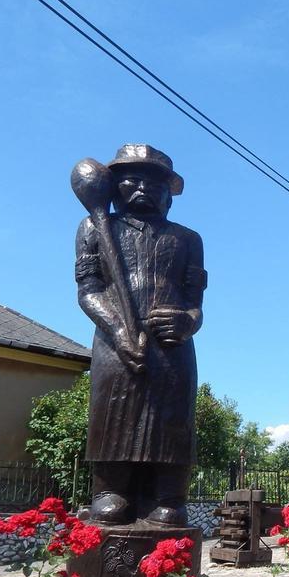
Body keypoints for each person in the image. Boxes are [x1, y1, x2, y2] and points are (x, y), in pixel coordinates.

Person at [74, 144, 207, 526]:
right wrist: (116, 326)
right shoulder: (95, 227)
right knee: (113, 410)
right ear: (112, 187)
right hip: (114, 342)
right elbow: (88, 288)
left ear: (169, 194)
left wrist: (187, 321)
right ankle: (109, 489)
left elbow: (196, 302)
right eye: (131, 179)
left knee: (172, 419)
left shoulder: (188, 239)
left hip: (172, 347)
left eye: (153, 182)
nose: (142, 188)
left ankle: (168, 493)